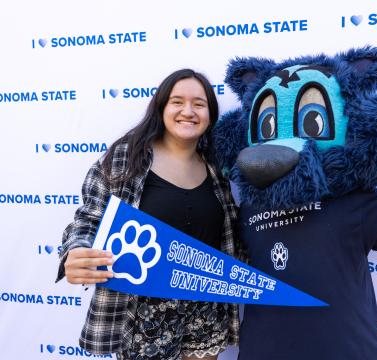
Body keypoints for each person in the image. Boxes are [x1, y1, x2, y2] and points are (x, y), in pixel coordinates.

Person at [56, 69, 243, 360]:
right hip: (144, 314)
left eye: (199, 104)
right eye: (177, 101)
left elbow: (234, 234)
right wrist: (76, 251)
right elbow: (88, 220)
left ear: (210, 114)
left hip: (207, 307)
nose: (188, 111)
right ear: (161, 108)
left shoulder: (217, 168)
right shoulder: (124, 158)